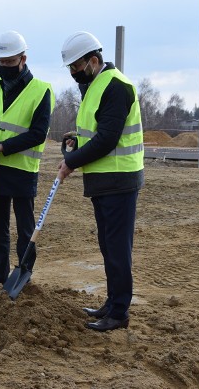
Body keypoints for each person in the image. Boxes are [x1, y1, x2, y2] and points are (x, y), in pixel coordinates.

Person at [57, 32, 144, 332]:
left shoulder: (116, 86)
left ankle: (119, 312)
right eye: (70, 70)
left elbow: (108, 138)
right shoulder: (94, 86)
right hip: (103, 181)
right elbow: (96, 132)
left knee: (118, 249)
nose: (74, 74)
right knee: (108, 246)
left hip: (120, 179)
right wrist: (76, 140)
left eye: (77, 68)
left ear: (94, 61)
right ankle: (111, 302)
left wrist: (71, 162)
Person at [0, 31, 54, 289]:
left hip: (22, 171)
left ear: (23, 59)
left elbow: (39, 134)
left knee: (25, 230)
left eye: (10, 61)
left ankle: (23, 275)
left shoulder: (41, 90)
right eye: (2, 62)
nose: (5, 67)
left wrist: (4, 146)